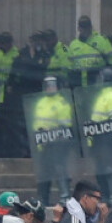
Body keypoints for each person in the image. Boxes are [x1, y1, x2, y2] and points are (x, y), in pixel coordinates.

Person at [31, 75, 74, 204]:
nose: (50, 88)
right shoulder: (40, 103)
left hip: (57, 143)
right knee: (44, 171)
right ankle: (43, 198)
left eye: (53, 85)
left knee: (60, 168)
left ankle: (65, 196)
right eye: (48, 86)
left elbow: (65, 124)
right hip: (43, 143)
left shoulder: (61, 103)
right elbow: (36, 122)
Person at [88, 68, 112, 204]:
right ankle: (104, 196)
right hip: (99, 139)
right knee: (100, 170)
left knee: (110, 169)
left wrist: (109, 136)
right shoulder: (101, 97)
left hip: (109, 139)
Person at [69, 16, 112, 87]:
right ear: (78, 28)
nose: (85, 30)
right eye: (82, 27)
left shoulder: (102, 41)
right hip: (78, 84)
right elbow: (70, 65)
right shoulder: (73, 44)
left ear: (90, 27)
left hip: (97, 81)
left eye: (86, 27)